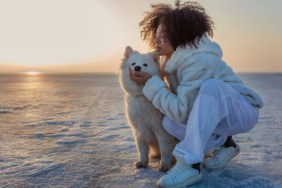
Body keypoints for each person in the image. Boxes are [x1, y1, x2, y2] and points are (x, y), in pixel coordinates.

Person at [129, 1, 263, 187]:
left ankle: (190, 164)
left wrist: (151, 82)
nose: (157, 40)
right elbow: (183, 112)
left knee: (212, 87)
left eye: (164, 35)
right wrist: (152, 79)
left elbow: (183, 111)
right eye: (157, 35)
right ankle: (225, 143)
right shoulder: (172, 61)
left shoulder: (200, 60)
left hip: (242, 112)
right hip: (218, 115)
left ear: (181, 35)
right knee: (169, 122)